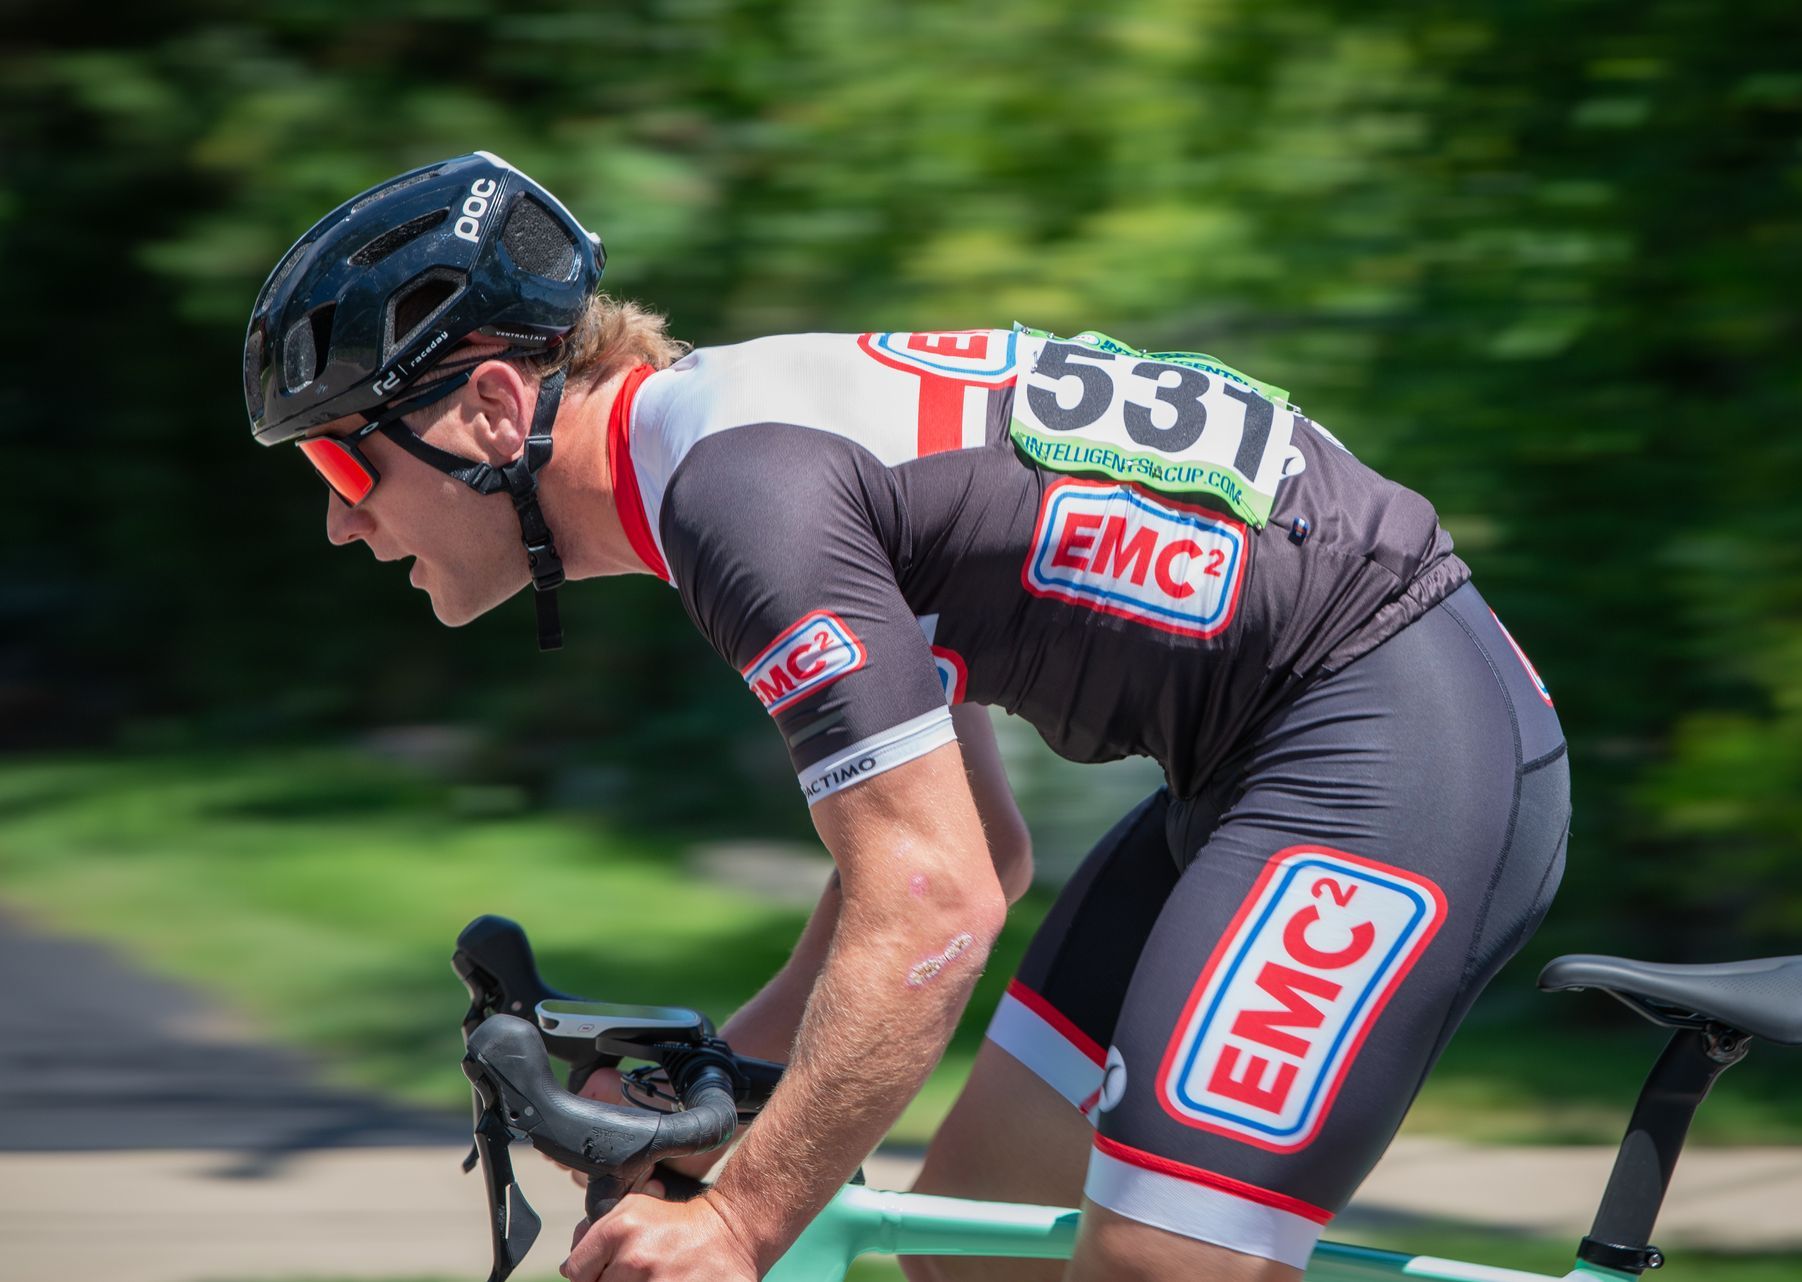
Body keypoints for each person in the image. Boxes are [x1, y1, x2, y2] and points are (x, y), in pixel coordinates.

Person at [245, 152, 1571, 1282]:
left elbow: (934, 902)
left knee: (1155, 1262)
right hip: (1255, 772)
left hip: (1393, 742)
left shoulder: (739, 498)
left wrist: (743, 1219)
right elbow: (973, 850)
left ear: (489, 408)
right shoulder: (723, 454)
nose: (337, 517)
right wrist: (731, 1094)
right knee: (970, 1249)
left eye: (344, 456)